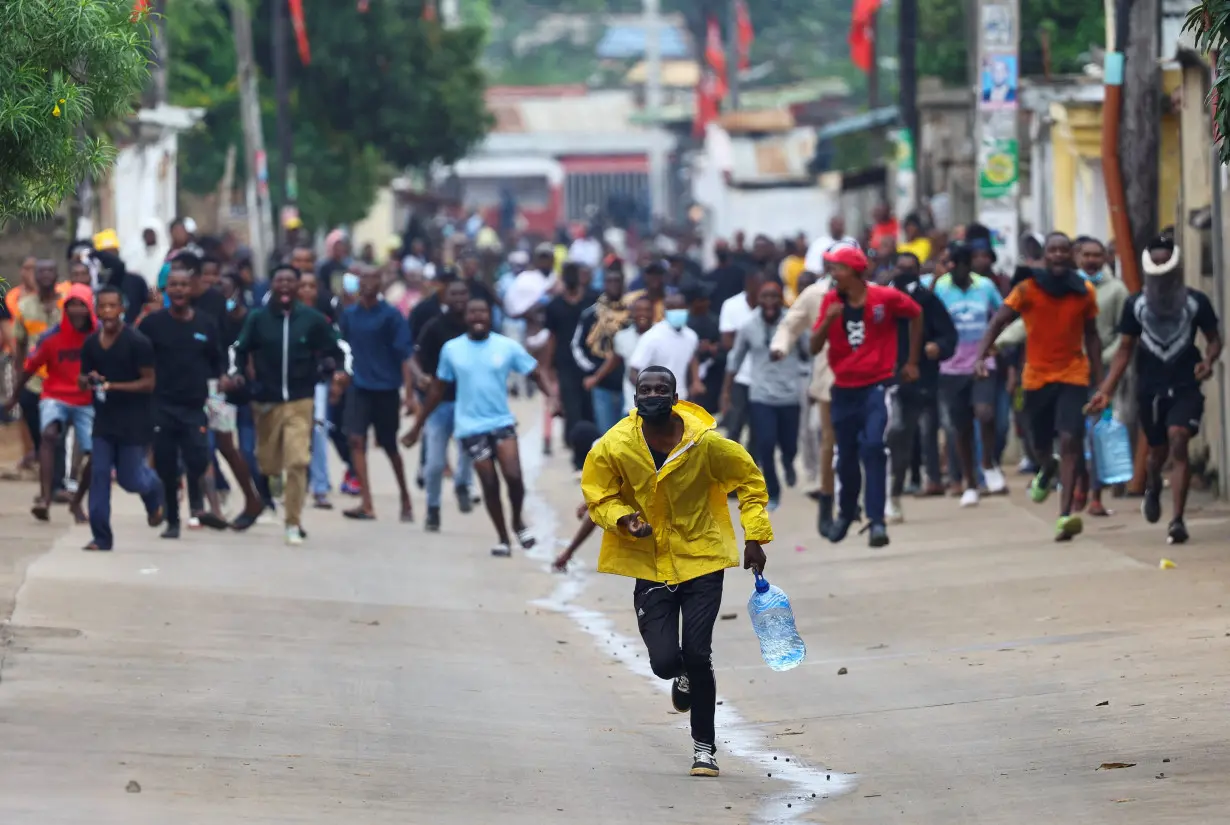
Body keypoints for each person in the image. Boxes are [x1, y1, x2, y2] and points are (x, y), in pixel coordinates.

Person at [580, 365, 771, 777]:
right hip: (651, 562)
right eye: (645, 389)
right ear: (634, 397)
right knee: (666, 662)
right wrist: (624, 519)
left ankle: (705, 747)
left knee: (699, 653)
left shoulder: (705, 445)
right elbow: (598, 494)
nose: (652, 394)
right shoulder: (615, 444)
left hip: (702, 555)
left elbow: (750, 481)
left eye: (660, 388)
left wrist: (754, 536)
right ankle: (680, 675)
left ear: (675, 395)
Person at [1089, 238, 1222, 544]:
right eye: (1156, 270)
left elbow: (1215, 338)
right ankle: (1152, 483)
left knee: (1179, 439)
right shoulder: (1135, 305)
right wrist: (1106, 389)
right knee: (1157, 453)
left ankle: (1177, 519)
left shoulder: (1195, 302)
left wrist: (1208, 359)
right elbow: (1124, 350)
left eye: (1166, 269)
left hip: (1186, 384)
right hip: (1149, 387)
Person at [402, 298, 556, 556]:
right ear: (466, 317)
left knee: (514, 476)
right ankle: (503, 538)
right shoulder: (452, 350)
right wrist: (417, 427)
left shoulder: (506, 346)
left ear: (490, 316)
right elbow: (438, 389)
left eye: (482, 312)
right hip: (470, 426)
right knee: (489, 482)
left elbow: (535, 371)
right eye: (473, 312)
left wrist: (551, 396)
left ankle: (517, 521)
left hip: (501, 422)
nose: (478, 317)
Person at [975, 233, 1101, 542]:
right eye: (1052, 250)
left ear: (1071, 254)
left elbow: (1093, 335)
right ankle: (1047, 467)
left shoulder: (1084, 291)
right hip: (1036, 378)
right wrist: (981, 356)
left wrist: (1099, 381)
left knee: (1071, 439)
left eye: (1063, 250)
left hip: (1073, 374)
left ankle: (1065, 515)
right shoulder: (1027, 289)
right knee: (1040, 444)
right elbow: (998, 322)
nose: (1058, 255)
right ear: (1045, 256)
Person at [226, 264, 351, 545]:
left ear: (297, 287)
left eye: (290, 281)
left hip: (300, 399)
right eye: (279, 280)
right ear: (272, 285)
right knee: (268, 464)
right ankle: (273, 480)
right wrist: (236, 373)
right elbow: (239, 348)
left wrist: (343, 370)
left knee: (297, 461)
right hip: (266, 402)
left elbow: (338, 346)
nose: (284, 285)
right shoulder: (258, 319)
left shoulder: (312, 319)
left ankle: (293, 523)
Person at [810, 243, 921, 547]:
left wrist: (911, 361)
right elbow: (813, 347)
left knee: (873, 447)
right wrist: (830, 320)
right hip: (844, 389)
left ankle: (877, 521)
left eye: (838, 268)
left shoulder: (883, 297)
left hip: (876, 386)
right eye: (830, 267)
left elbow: (915, 313)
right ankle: (847, 512)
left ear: (854, 272)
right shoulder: (830, 301)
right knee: (845, 456)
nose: (832, 273)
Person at [138, 261, 229, 538]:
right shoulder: (153, 324)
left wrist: (222, 386)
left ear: (192, 289)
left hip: (195, 405)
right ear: (167, 289)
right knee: (165, 463)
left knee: (198, 456)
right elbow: (137, 357)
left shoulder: (206, 323)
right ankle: (173, 521)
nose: (179, 289)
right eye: (174, 285)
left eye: (184, 285)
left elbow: (217, 362)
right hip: (162, 404)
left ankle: (198, 507)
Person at [4, 283, 98, 522]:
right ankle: (45, 497)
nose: (77, 311)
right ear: (65, 309)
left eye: (82, 306)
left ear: (90, 308)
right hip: (55, 395)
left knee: (94, 454)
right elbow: (29, 368)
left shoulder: (99, 337)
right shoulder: (51, 337)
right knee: (48, 434)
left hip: (87, 401)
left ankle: (76, 501)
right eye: (72, 306)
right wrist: (14, 395)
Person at [79, 286, 164, 550]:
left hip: (134, 421)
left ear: (122, 309)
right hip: (104, 420)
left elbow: (149, 383)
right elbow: (83, 379)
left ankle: (154, 490)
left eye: (112, 306)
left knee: (130, 479)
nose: (107, 312)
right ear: (96, 310)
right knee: (99, 474)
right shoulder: (91, 343)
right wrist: (88, 380)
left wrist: (114, 386)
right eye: (102, 306)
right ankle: (101, 537)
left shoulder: (138, 342)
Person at [884, 253, 956, 523]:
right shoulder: (881, 301)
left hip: (923, 378)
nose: (904, 273)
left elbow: (949, 334)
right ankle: (894, 488)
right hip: (888, 381)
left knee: (924, 431)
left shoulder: (927, 301)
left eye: (910, 269)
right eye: (899, 268)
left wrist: (939, 347)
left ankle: (927, 479)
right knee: (896, 432)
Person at [932, 244, 1007, 507]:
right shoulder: (940, 287)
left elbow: (1002, 315)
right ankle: (970, 482)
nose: (956, 270)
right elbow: (931, 320)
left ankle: (987, 461)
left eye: (962, 266)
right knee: (960, 426)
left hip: (981, 361)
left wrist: (998, 342)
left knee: (985, 412)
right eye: (952, 265)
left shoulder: (985, 286)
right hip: (951, 366)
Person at [339, 269, 416, 522]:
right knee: (356, 440)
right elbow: (341, 348)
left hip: (385, 388)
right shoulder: (349, 315)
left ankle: (405, 497)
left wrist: (408, 393)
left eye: (373, 278)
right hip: (358, 387)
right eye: (363, 279)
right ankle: (367, 503)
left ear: (381, 283)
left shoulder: (392, 316)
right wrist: (338, 380)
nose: (368, 283)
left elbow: (405, 354)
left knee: (389, 445)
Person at [724, 281, 807, 510]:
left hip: (790, 395)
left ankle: (789, 462)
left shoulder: (793, 322)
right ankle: (774, 491)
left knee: (789, 444)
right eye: (765, 297)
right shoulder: (748, 325)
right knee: (765, 444)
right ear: (758, 300)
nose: (769, 302)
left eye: (774, 297)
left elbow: (809, 350)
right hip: (761, 395)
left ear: (781, 299)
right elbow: (735, 358)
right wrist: (727, 391)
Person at [772, 266, 837, 531]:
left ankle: (859, 499)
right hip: (825, 379)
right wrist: (780, 347)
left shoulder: (869, 293)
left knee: (865, 443)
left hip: (865, 377)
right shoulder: (815, 295)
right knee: (822, 436)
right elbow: (790, 326)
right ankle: (825, 498)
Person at [412, 279, 476, 532]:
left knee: (469, 453)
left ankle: (462, 484)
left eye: (463, 293)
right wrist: (420, 377)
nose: (459, 298)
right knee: (435, 463)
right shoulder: (434, 327)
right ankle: (433, 508)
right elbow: (415, 357)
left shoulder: (476, 327)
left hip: (468, 404)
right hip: (438, 403)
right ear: (445, 298)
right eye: (454, 294)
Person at [1077, 237, 1130, 517]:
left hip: (1103, 374)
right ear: (1078, 257)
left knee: (1098, 433)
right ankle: (1079, 485)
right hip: (1069, 371)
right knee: (1071, 433)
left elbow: (1126, 334)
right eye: (1086, 255)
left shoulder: (1117, 290)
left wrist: (1103, 361)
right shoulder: (1069, 288)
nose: (1091, 260)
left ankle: (1096, 496)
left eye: (1097, 255)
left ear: (1105, 258)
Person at [543, 262, 599, 470]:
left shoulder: (593, 301)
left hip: (591, 364)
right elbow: (552, 337)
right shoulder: (554, 306)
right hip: (566, 366)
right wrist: (547, 366)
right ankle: (578, 459)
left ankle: (596, 456)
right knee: (573, 412)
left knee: (590, 410)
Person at [574, 265, 631, 433]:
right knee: (606, 436)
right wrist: (593, 369)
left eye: (617, 281)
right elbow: (577, 346)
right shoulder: (591, 314)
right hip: (602, 386)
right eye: (609, 281)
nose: (613, 284)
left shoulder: (633, 315)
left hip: (628, 386)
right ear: (604, 284)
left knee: (629, 439)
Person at [627, 294, 705, 400]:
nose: (677, 311)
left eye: (680, 307)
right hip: (655, 402)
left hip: (680, 400)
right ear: (664, 311)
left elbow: (692, 357)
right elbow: (633, 372)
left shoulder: (691, 336)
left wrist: (696, 381)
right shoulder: (652, 337)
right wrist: (649, 394)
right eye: (672, 308)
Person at [718, 268, 763, 446]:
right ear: (748, 284)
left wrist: (742, 336)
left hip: (763, 379)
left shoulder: (770, 307)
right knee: (734, 426)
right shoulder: (732, 305)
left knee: (758, 430)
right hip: (739, 376)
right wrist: (749, 337)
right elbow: (727, 342)